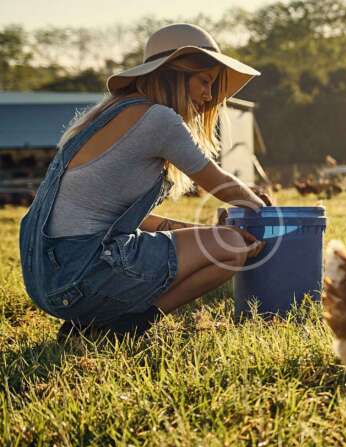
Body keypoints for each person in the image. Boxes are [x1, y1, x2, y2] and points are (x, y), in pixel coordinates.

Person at [18, 23, 271, 341]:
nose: (209, 97)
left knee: (226, 245)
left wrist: (204, 234)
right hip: (84, 273)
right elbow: (217, 182)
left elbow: (119, 218)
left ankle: (93, 323)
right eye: (205, 82)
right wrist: (259, 205)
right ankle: (130, 324)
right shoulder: (157, 119)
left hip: (48, 280)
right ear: (176, 74)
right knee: (232, 246)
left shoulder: (104, 118)